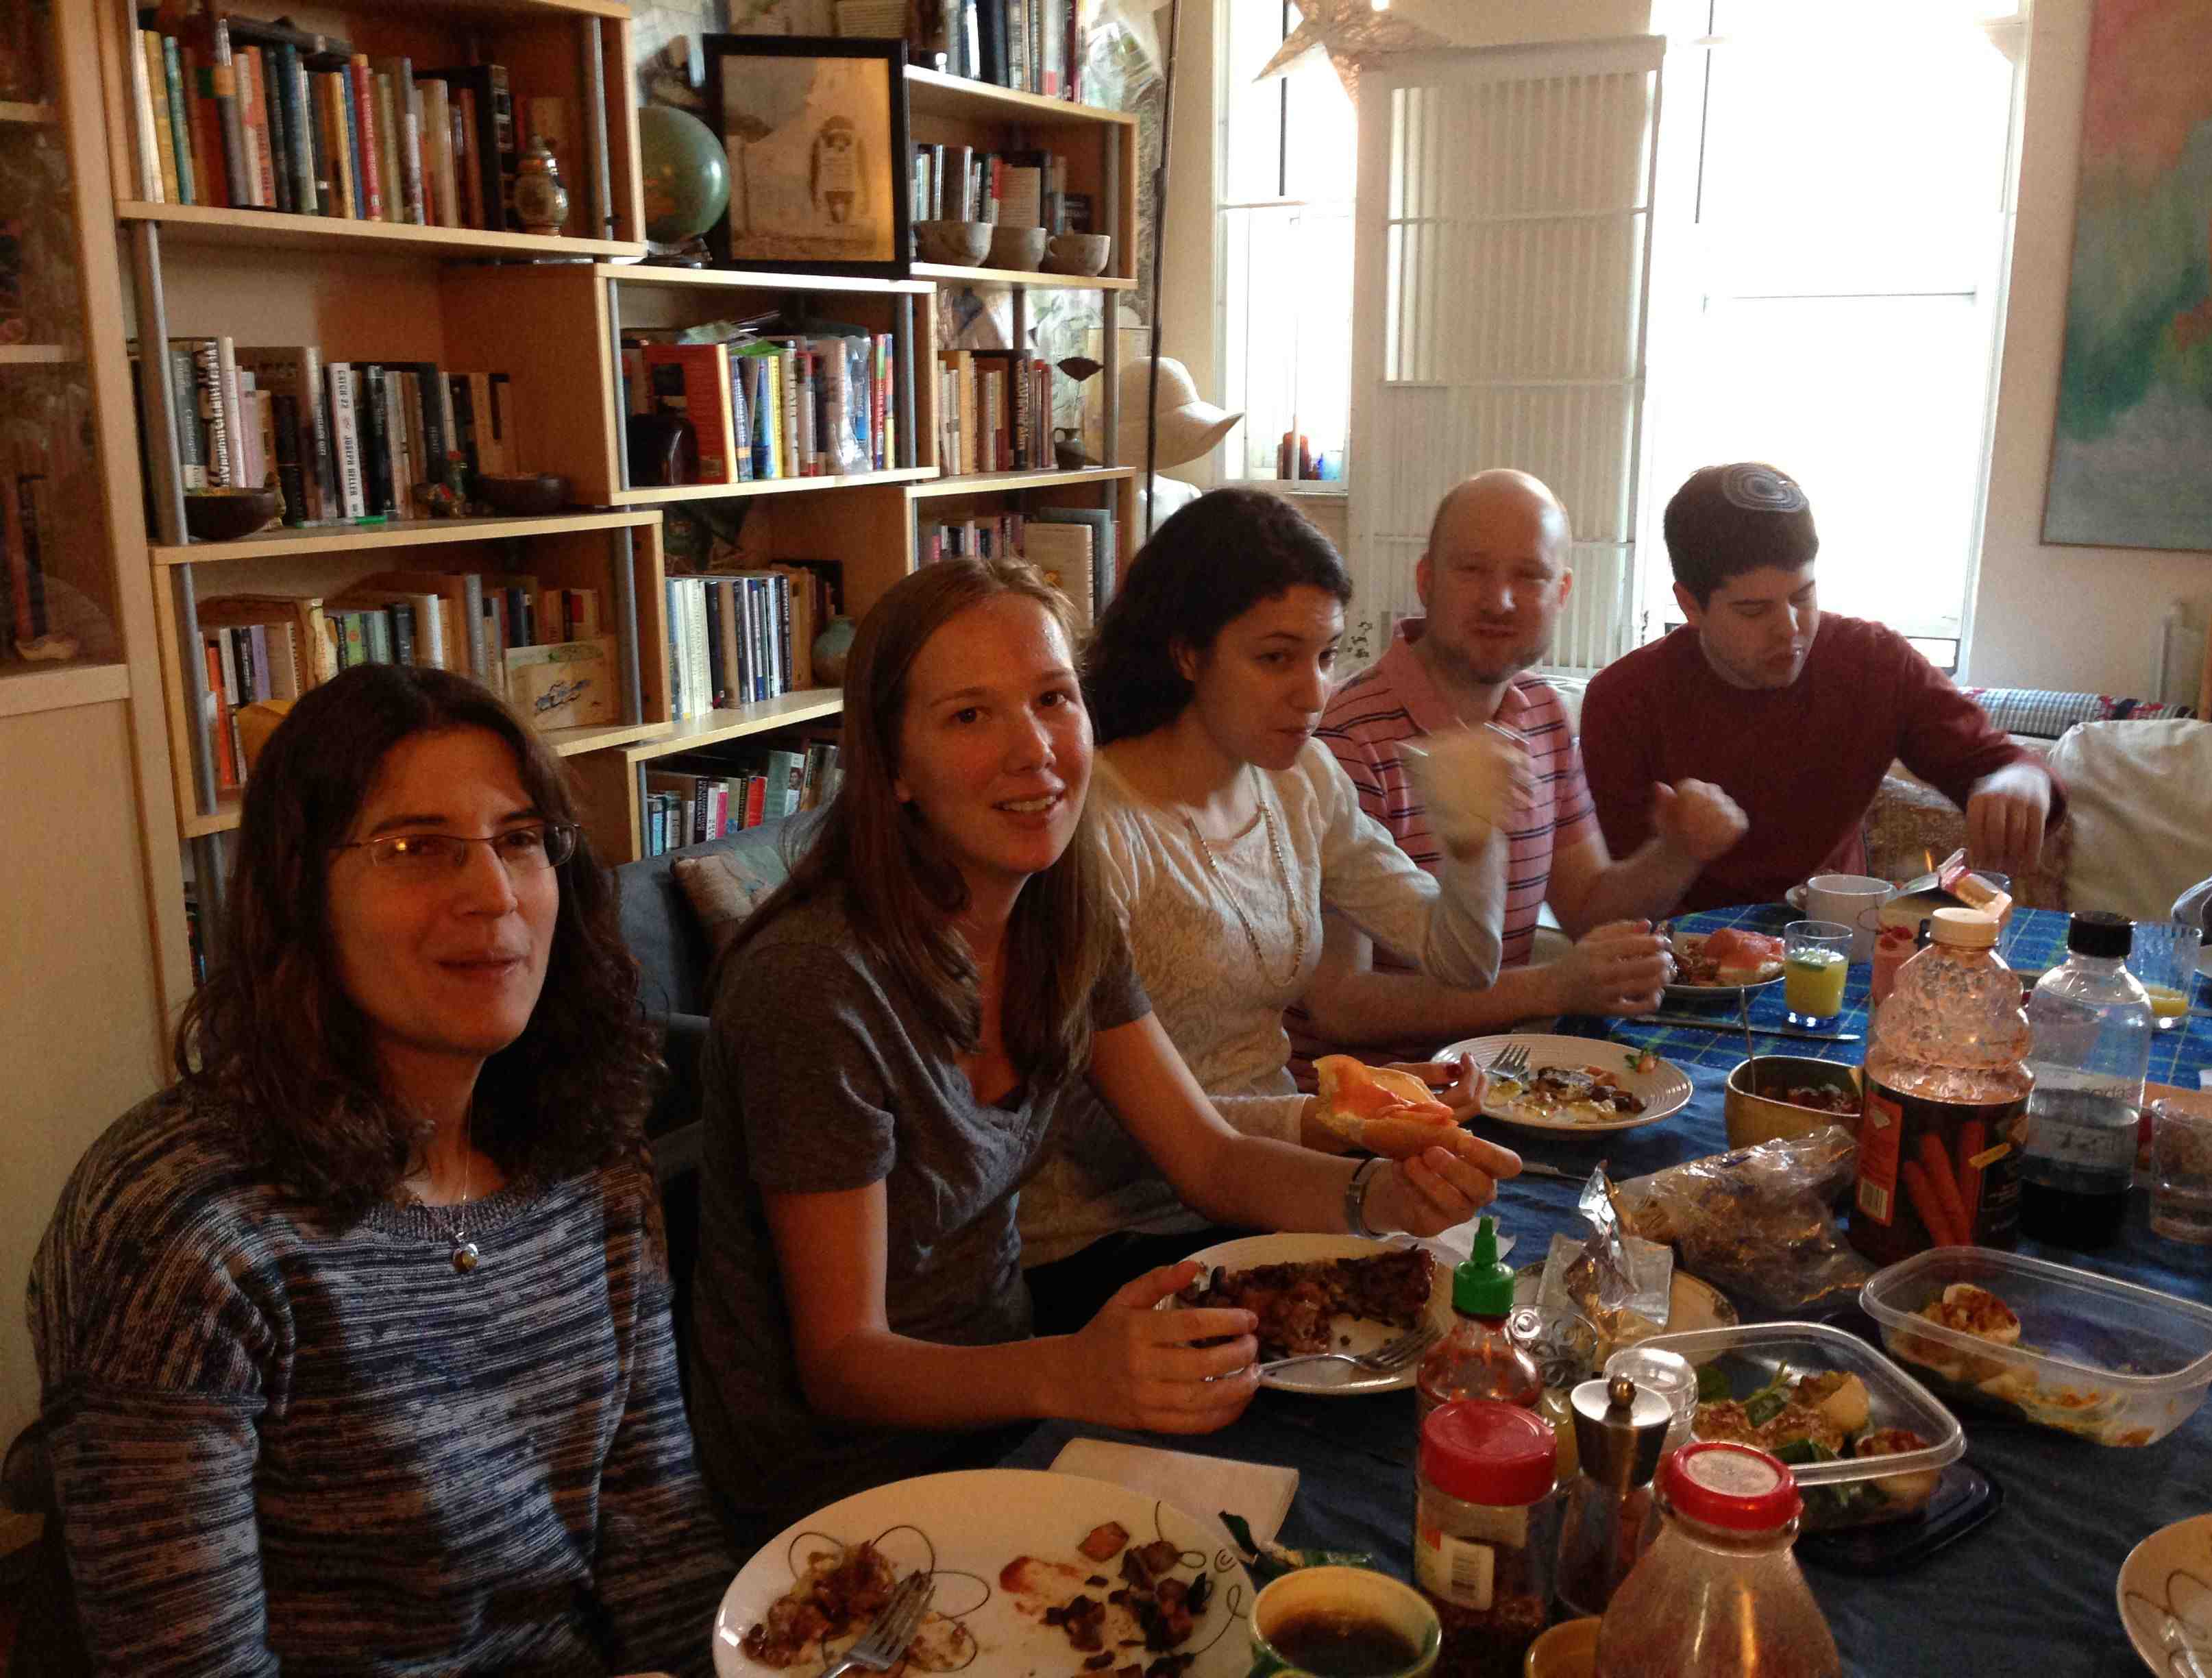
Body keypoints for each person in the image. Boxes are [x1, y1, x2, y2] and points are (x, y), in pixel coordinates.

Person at [689, 556, 1517, 1548]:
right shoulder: (814, 984)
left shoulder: (1060, 913)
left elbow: (1208, 1157)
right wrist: (1071, 1370)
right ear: (894, 766)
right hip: (845, 1491)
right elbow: (842, 1361)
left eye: (1053, 699)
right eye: (970, 716)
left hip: (1019, 1413)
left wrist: (1381, 1198)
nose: (1034, 750)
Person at [28, 664, 731, 1677]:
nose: (494, 895)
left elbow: (660, 1544)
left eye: (519, 840)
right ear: (300, 894)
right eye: (416, 848)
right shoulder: (182, 1229)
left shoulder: (585, 1157)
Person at [1015, 488, 1523, 1306]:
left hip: (1271, 1190)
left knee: (1492, 1288)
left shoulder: (1300, 780)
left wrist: (1473, 840)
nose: (1314, 693)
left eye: (1326, 656)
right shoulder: (1098, 827)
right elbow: (1094, 1126)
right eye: (1277, 658)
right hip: (1109, 1237)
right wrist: (1331, 1120)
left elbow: (1464, 961)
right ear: (1188, 653)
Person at [1297, 470, 1747, 1063]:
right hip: (1370, 1097)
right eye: (1472, 570)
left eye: (1529, 576)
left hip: (1501, 1077)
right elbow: (1340, 1005)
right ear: (1426, 581)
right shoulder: (1344, 739)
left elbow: (1588, 911)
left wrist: (1679, 851)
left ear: (1562, 593)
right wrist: (1551, 987)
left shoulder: (1542, 710)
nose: (1500, 601)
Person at [1581, 462, 2063, 912]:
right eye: (1753, 611)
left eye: (1803, 596)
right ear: (1690, 605)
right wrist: (1679, 851)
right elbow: (1610, 911)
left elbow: (2006, 765)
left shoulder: (1875, 662)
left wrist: (2020, 780)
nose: (1790, 629)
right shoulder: (1622, 700)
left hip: (1838, 940)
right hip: (1680, 956)